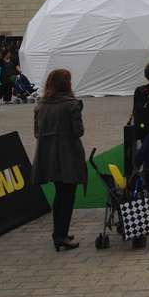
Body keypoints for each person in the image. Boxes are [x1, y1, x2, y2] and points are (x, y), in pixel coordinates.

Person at [32, 69, 86, 251]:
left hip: (48, 156)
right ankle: (60, 235)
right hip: (67, 155)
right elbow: (78, 131)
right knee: (67, 195)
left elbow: (37, 132)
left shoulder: (41, 105)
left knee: (60, 194)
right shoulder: (72, 104)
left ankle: (60, 232)